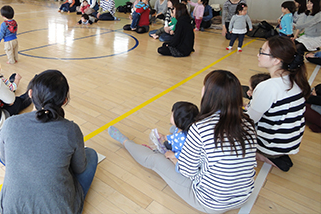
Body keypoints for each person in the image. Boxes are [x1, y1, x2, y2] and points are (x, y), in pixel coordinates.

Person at [108, 70, 257, 213]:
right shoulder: (248, 122)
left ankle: (125, 142)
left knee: (156, 159)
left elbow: (186, 170)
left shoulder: (201, 128)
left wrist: (172, 156)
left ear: (208, 94)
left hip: (211, 202)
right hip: (243, 196)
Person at [0, 70, 98, 214]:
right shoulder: (71, 129)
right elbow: (79, 168)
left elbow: (5, 159)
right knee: (91, 154)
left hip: (10, 209)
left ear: (30, 93)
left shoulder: (10, 123)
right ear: (64, 101)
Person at [247, 36, 311, 172]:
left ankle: (261, 154)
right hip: (289, 143)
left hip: (271, 145)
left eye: (262, 51)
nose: (258, 54)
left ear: (276, 60)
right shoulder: (296, 81)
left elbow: (248, 121)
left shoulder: (268, 87)